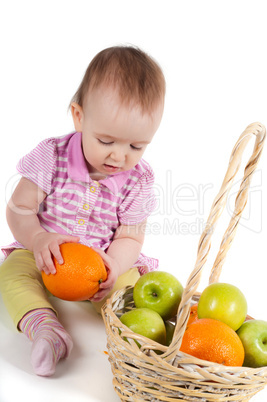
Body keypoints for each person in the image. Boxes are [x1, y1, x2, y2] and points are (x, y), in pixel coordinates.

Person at [0, 45, 165, 377]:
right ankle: (45, 328)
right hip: (45, 253)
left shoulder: (139, 178)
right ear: (79, 116)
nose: (119, 157)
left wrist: (115, 265)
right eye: (106, 141)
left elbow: (130, 236)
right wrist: (37, 238)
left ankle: (140, 348)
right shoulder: (52, 156)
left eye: (136, 146)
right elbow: (19, 209)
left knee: (131, 294)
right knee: (12, 274)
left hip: (101, 260)